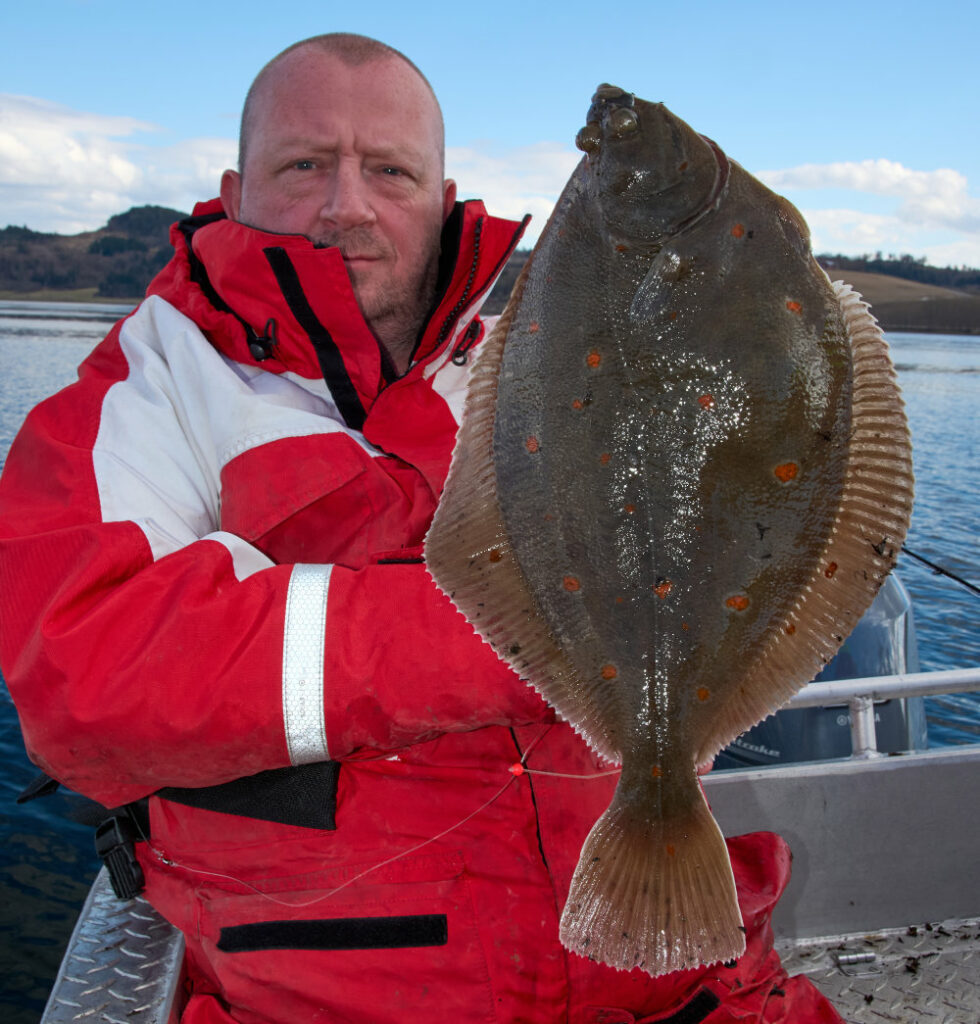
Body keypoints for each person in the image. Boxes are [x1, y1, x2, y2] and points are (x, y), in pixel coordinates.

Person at [0, 33, 844, 1024]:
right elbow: (85, 671)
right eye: (305, 164)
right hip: (341, 991)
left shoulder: (535, 361)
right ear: (234, 190)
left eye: (388, 170)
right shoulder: (151, 389)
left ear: (442, 199)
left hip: (681, 981)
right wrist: (508, 637)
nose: (345, 205)